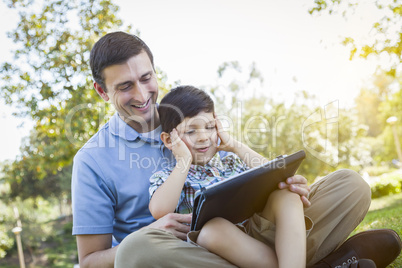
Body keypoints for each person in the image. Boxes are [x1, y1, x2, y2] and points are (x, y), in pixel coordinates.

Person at [71, 31, 402, 268]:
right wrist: (152, 231)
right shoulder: (91, 160)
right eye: (126, 86)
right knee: (136, 251)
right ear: (102, 91)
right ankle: (328, 262)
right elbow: (90, 261)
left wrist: (286, 184)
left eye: (146, 78)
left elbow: (248, 172)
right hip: (182, 254)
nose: (143, 95)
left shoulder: (186, 113)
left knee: (350, 185)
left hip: (248, 234)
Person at [149, 85, 307, 267]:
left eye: (210, 127)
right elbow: (159, 210)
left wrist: (234, 145)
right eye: (191, 131)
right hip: (212, 249)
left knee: (286, 194)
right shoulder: (168, 176)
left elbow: (275, 175)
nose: (203, 137)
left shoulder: (232, 162)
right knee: (213, 229)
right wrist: (183, 161)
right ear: (169, 140)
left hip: (252, 234)